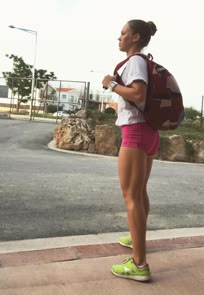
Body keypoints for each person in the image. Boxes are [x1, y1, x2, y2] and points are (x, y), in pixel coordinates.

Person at [102, 19, 160, 282]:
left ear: (136, 37)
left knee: (131, 196)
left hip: (135, 132)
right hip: (147, 131)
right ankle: (136, 237)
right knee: (139, 193)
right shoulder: (140, 61)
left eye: (123, 33)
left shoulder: (135, 61)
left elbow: (138, 94)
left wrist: (111, 85)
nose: (119, 37)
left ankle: (139, 265)